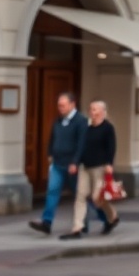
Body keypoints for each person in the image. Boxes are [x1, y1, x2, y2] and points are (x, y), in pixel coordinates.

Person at [29, 92, 105, 236]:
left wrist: (75, 162)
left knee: (82, 196)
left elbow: (81, 143)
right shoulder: (58, 121)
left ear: (72, 104)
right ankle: (47, 222)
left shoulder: (81, 121)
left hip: (73, 165)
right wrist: (50, 153)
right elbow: (53, 138)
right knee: (52, 191)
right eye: (59, 105)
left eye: (63, 105)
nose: (60, 108)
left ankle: (105, 218)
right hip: (58, 163)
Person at [60, 101, 119, 239]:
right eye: (90, 109)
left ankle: (113, 216)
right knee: (80, 196)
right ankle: (77, 228)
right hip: (85, 167)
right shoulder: (86, 128)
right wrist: (75, 162)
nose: (91, 112)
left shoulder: (107, 128)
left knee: (96, 198)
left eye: (94, 109)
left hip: (100, 167)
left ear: (102, 111)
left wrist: (109, 164)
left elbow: (111, 147)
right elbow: (80, 147)